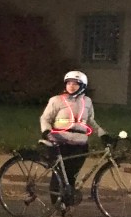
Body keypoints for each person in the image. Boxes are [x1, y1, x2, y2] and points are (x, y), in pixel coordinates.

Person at [40, 70, 110, 200]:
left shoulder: (87, 101)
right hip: (60, 142)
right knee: (59, 176)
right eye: (69, 83)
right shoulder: (56, 100)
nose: (71, 86)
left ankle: (66, 205)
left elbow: (90, 121)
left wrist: (102, 134)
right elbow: (45, 118)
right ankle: (58, 206)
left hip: (80, 144)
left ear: (82, 86)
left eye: (76, 84)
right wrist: (46, 131)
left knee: (71, 176)